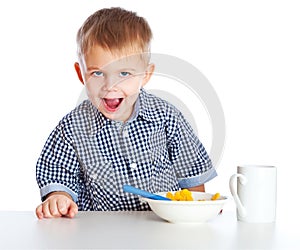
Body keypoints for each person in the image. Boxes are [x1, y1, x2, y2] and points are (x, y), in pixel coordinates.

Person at [35, 7, 217, 219]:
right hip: (101, 233)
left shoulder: (166, 116)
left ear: (145, 75)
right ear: (81, 74)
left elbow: (192, 173)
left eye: (124, 73)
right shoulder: (72, 127)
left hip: (162, 229)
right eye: (97, 73)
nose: (110, 86)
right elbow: (57, 173)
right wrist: (59, 196)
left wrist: (197, 214)